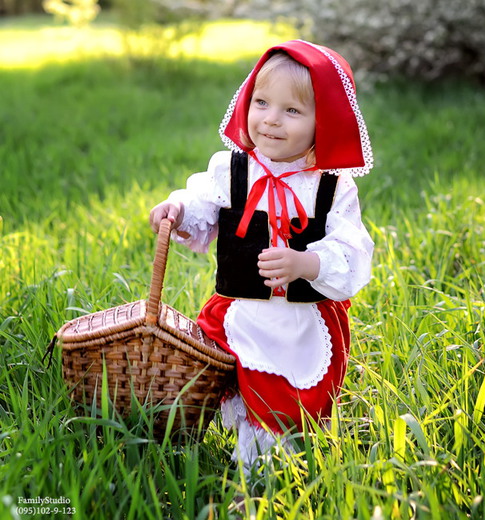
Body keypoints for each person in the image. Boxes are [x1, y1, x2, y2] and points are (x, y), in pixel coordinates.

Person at [149, 39, 374, 471]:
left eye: (292, 111)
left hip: (297, 321)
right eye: (262, 102)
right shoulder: (232, 168)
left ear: (321, 122)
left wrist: (305, 263)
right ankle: (188, 445)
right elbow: (201, 204)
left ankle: (273, 473)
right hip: (237, 314)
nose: (271, 120)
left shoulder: (329, 186)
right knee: (204, 381)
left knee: (284, 406)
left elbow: (352, 250)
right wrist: (177, 210)